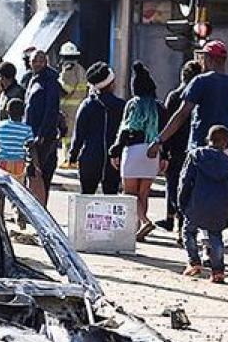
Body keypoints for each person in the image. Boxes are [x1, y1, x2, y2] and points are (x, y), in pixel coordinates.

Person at [149, 40, 228, 243]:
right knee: (218, 197)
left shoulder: (200, 82)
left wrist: (159, 140)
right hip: (226, 152)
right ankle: (213, 240)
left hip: (200, 151)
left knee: (191, 195)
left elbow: (182, 114)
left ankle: (195, 243)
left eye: (203, 57)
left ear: (209, 59)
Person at [111, 62, 166, 241]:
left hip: (133, 151)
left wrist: (115, 151)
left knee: (130, 194)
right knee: (143, 194)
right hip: (152, 152)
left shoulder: (133, 104)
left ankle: (143, 222)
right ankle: (138, 231)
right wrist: (164, 156)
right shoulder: (159, 107)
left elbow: (125, 130)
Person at [179, 125, 228, 283]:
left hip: (196, 203)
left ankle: (194, 263)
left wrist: (182, 201)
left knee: (189, 232)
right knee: (215, 237)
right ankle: (218, 272)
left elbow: (185, 181)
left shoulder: (196, 156)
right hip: (219, 207)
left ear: (208, 139)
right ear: (226, 143)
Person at [157, 60, 203, 237]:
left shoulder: (174, 96)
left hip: (175, 148)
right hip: (194, 146)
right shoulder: (201, 96)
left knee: (174, 185)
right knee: (191, 187)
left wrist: (163, 150)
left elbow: (167, 123)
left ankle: (174, 219)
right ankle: (183, 223)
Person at [69, 62, 124, 195]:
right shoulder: (122, 106)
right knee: (111, 199)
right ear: (111, 84)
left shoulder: (87, 105)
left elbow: (79, 134)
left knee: (87, 198)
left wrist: (73, 155)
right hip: (114, 161)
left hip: (90, 159)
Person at [24, 50, 63, 204]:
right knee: (32, 175)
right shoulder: (32, 79)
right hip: (31, 135)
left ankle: (42, 209)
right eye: (34, 61)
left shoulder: (50, 81)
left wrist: (42, 134)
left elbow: (51, 109)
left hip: (44, 138)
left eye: (41, 61)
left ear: (46, 62)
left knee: (42, 175)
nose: (37, 64)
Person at [0, 98, 34, 216]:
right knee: (19, 192)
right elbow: (31, 146)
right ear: (23, 113)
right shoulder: (27, 129)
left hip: (2, 163)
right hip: (18, 164)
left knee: (0, 193)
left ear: (7, 112)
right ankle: (20, 216)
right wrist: (34, 163)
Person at [58, 43, 87, 167]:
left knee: (67, 135)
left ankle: (68, 160)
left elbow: (66, 89)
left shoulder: (68, 69)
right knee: (76, 133)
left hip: (69, 109)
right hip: (79, 106)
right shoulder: (81, 69)